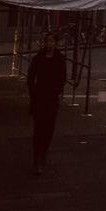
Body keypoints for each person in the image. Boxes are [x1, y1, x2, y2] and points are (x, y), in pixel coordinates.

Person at [27, 32, 67, 174]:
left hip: (52, 98)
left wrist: (57, 91)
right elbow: (30, 77)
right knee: (38, 128)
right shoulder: (38, 58)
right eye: (47, 41)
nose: (49, 44)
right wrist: (33, 93)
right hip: (39, 97)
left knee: (48, 128)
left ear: (55, 43)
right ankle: (37, 157)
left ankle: (43, 153)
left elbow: (63, 77)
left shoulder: (59, 59)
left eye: (51, 41)